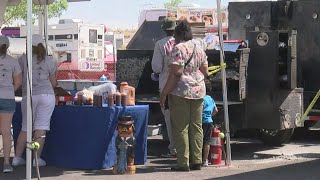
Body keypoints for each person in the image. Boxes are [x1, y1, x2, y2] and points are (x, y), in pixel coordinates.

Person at [160, 20, 209, 171]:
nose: (173, 36)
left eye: (175, 33)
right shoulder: (199, 47)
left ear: (179, 34)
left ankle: (183, 163)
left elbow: (177, 73)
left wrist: (164, 93)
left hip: (181, 92)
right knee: (196, 126)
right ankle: (197, 161)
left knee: (181, 127)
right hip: (199, 91)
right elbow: (205, 71)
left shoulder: (178, 48)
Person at [13, 34, 57, 167]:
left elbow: (17, 78)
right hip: (46, 96)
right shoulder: (50, 60)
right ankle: (36, 159)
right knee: (41, 127)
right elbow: (54, 83)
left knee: (25, 127)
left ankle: (17, 158)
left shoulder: (22, 59)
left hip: (29, 95)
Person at [151, 17, 177, 157]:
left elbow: (156, 67)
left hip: (166, 86)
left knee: (170, 119)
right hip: (182, 86)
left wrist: (154, 74)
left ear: (164, 29)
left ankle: (174, 149)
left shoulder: (160, 44)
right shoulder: (182, 43)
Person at [0, 35, 22, 173]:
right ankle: (7, 163)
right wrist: (10, 90)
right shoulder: (13, 62)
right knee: (6, 132)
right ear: (7, 46)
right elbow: (18, 81)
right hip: (7, 97)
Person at [201, 95, 218, 167]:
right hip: (209, 121)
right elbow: (216, 110)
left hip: (201, 121)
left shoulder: (201, 99)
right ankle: (205, 160)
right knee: (207, 142)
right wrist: (209, 116)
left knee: (199, 141)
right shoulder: (211, 98)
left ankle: (197, 159)